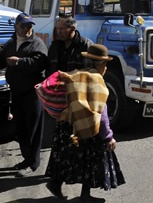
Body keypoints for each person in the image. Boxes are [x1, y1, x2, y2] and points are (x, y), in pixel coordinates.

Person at [45, 44, 125, 202]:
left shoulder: (77, 74)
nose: (106, 68)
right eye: (105, 64)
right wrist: (108, 136)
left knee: (68, 157)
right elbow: (100, 111)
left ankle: (56, 183)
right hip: (85, 126)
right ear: (99, 64)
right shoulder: (96, 80)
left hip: (67, 124)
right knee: (90, 159)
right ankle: (85, 195)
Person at [0, 12, 48, 177]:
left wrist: (19, 62)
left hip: (32, 92)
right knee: (21, 128)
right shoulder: (11, 43)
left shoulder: (36, 43)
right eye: (23, 25)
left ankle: (33, 163)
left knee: (33, 129)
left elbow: (41, 63)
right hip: (16, 92)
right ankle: (26, 159)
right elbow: (1, 58)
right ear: (16, 26)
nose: (26, 29)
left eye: (29, 26)